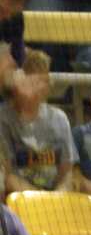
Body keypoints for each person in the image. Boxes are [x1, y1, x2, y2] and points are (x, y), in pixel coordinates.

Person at [0, 52, 72, 195]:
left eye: (44, 81)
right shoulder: (3, 118)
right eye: (34, 82)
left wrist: (58, 196)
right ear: (19, 85)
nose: (40, 87)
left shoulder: (59, 118)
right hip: (19, 201)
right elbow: (7, 177)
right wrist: (39, 199)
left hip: (55, 200)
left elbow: (68, 172)